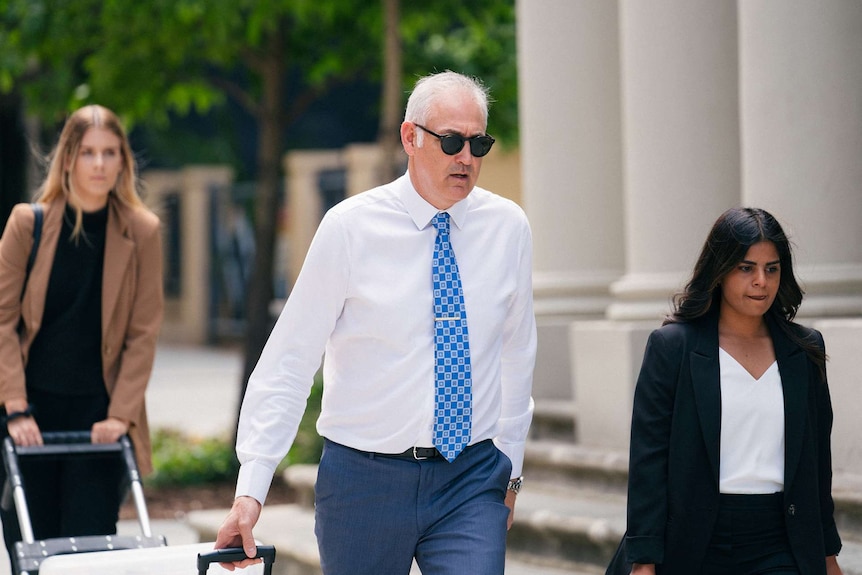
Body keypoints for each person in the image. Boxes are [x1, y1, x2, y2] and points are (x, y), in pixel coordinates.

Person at [215, 71, 536, 575]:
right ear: (411, 137)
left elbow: (517, 355)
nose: (467, 157)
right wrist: (250, 489)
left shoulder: (508, 228)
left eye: (479, 143)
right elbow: (290, 362)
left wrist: (511, 475)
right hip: (363, 482)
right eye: (452, 141)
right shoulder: (349, 228)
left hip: (470, 479)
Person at [606, 207, 844, 575]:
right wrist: (644, 560)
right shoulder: (673, 348)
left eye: (772, 268)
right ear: (719, 270)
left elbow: (817, 464)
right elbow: (649, 461)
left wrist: (828, 555)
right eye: (746, 268)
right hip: (696, 542)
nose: (761, 281)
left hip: (781, 540)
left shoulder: (804, 350)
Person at [0, 105, 163, 570]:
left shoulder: (143, 232)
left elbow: (143, 333)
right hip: (27, 419)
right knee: (31, 555)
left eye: (109, 152)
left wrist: (119, 416)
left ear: (123, 161)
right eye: (87, 152)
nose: (98, 164)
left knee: (90, 558)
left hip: (99, 423)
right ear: (67, 158)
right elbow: (1, 320)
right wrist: (15, 408)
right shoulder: (25, 225)